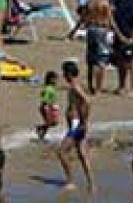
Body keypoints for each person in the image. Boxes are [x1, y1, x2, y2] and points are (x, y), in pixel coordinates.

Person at [55, 60, 93, 193]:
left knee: (61, 152)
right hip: (77, 124)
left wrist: (83, 120)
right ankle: (91, 183)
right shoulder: (78, 84)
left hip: (76, 125)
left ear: (69, 74)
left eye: (64, 73)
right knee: (82, 154)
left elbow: (87, 101)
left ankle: (70, 181)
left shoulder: (75, 86)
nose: (63, 76)